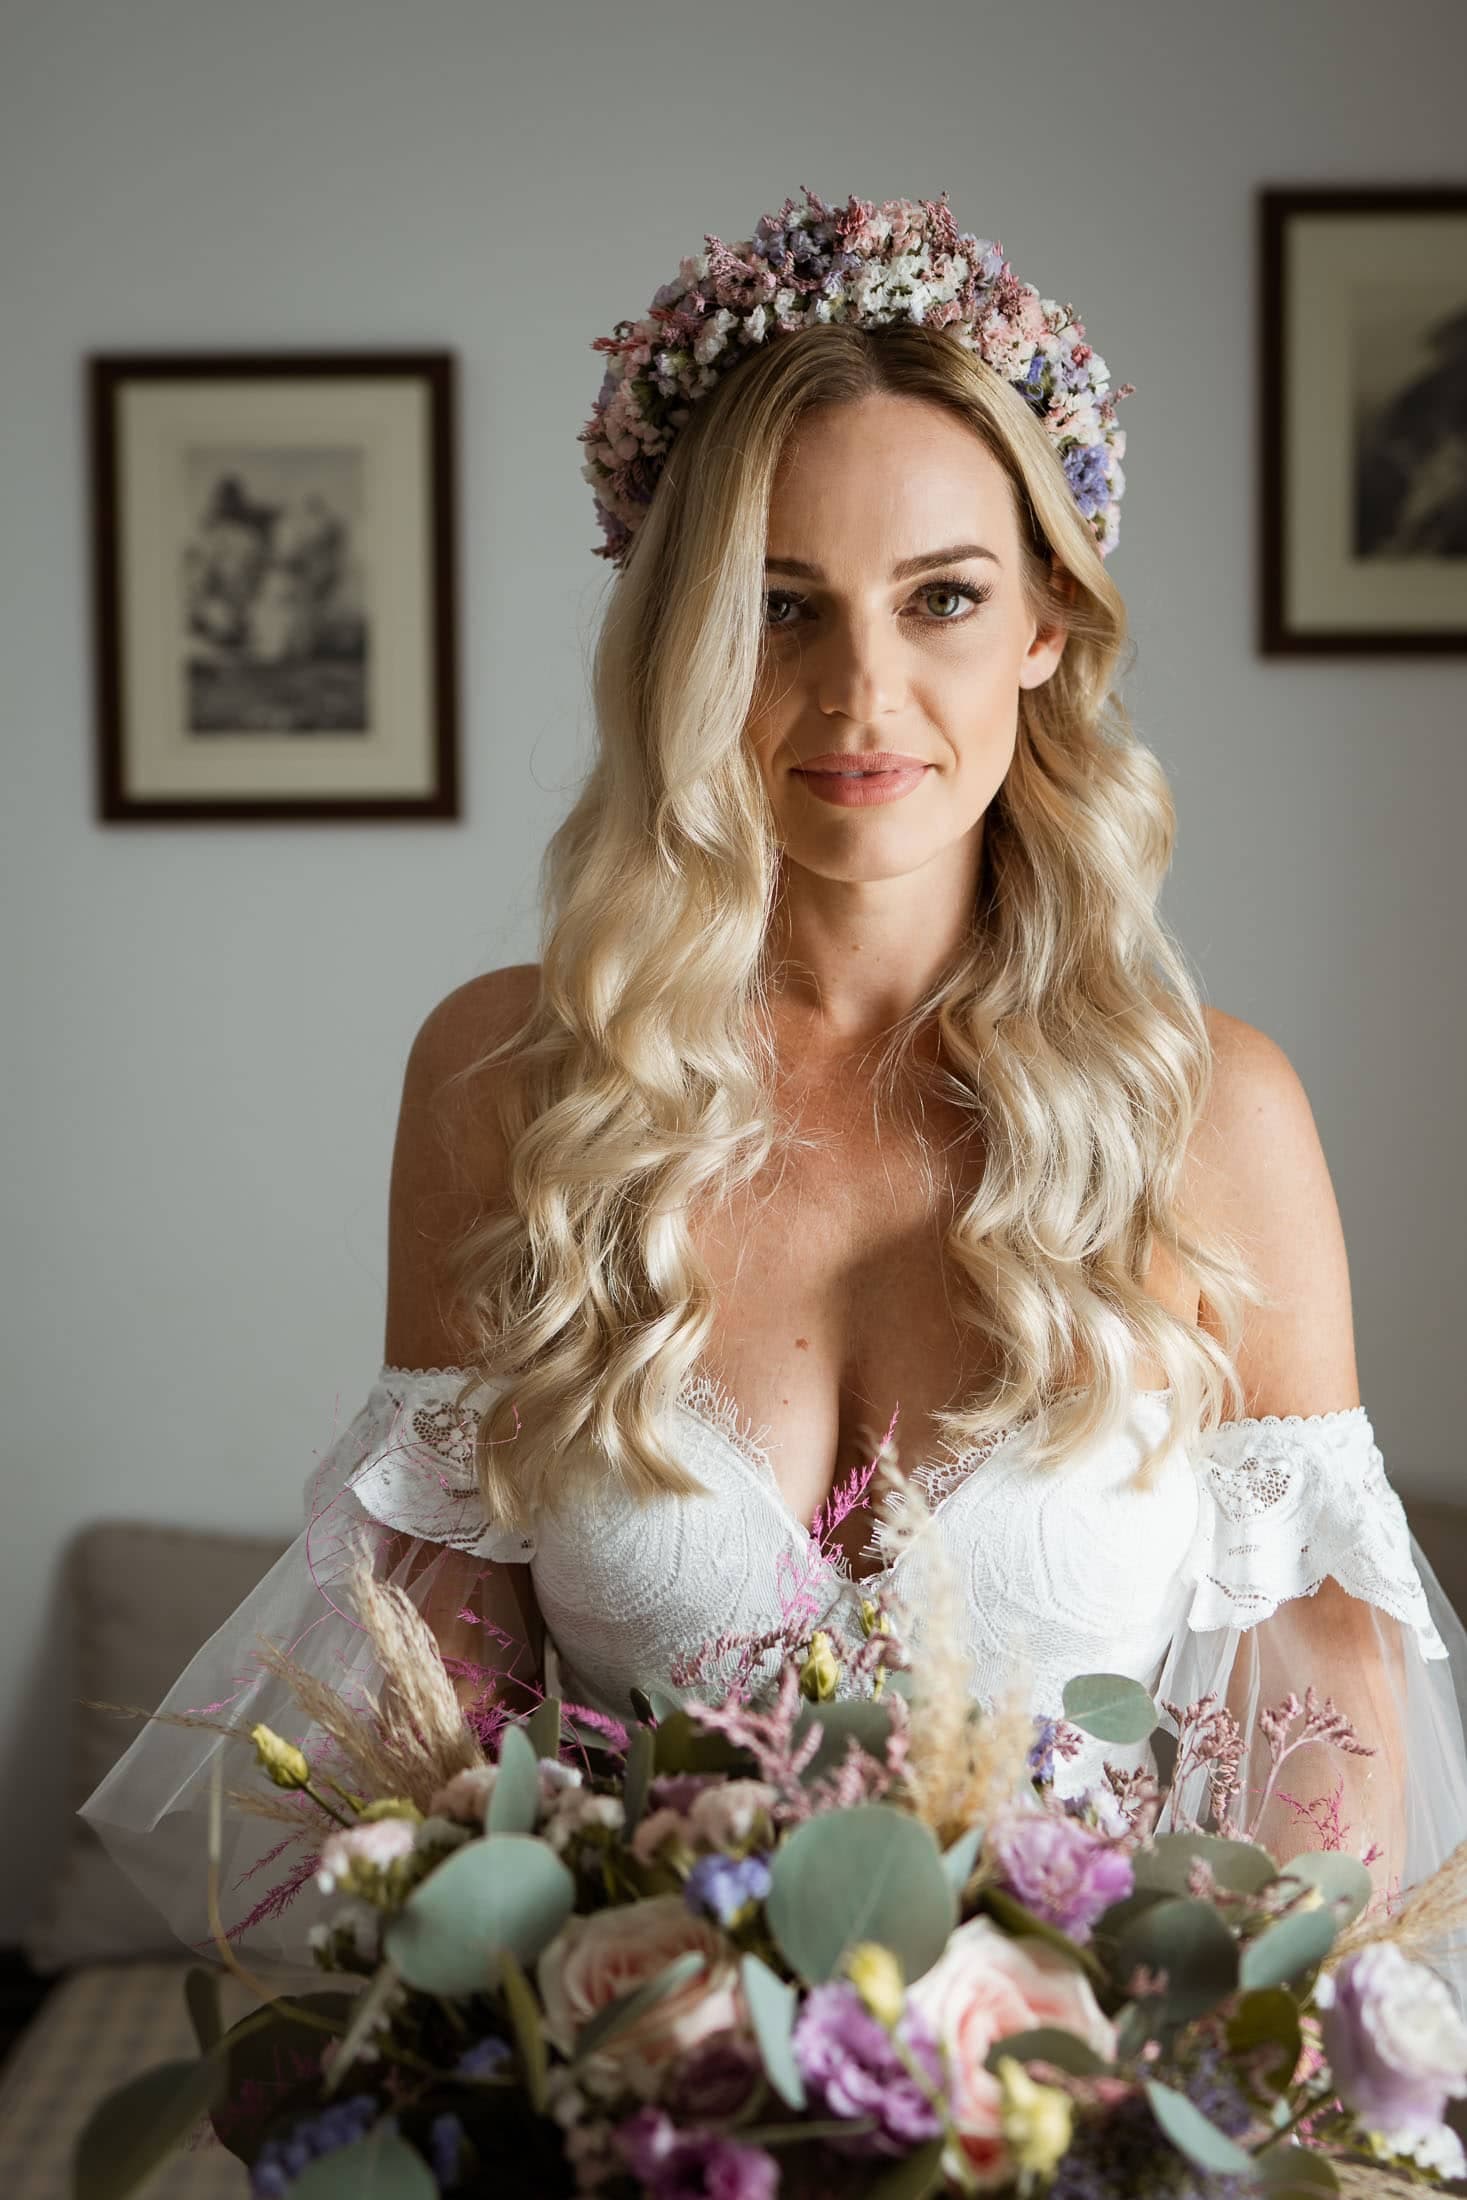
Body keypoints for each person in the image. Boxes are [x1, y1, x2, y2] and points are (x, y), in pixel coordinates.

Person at [82, 189, 1467, 2003]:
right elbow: (426, 1734)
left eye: (944, 599)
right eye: (778, 605)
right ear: (684, 635)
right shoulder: (511, 1090)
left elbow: (1325, 1788)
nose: (860, 695)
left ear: (1048, 621)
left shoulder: (1216, 1116)